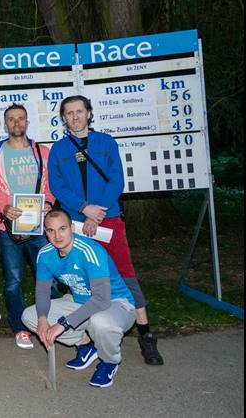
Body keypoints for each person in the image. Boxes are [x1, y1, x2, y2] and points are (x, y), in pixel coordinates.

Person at [48, 95, 163, 365]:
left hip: (107, 218)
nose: (75, 117)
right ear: (63, 118)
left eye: (79, 111)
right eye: (69, 113)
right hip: (76, 221)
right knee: (84, 277)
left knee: (125, 273)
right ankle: (88, 339)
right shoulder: (59, 149)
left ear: (89, 113)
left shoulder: (106, 143)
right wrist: (83, 208)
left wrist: (97, 211)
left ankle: (146, 334)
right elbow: (57, 186)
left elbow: (116, 181)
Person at [22, 209, 137, 388]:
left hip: (116, 303)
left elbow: (101, 299)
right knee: (30, 316)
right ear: (45, 231)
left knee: (101, 322)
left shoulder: (89, 250)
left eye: (62, 229)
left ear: (72, 228)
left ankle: (109, 361)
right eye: (51, 230)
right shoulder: (45, 254)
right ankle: (85, 344)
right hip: (80, 302)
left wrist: (63, 324)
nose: (57, 236)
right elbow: (43, 291)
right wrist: (43, 319)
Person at [0, 103, 55, 350]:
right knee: (13, 281)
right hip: (8, 228)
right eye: (11, 119)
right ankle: (20, 328)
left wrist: (50, 204)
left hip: (40, 228)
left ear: (27, 122)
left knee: (48, 279)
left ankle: (54, 324)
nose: (16, 123)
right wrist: (3, 207)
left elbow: (52, 186)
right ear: (5, 124)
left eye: (20, 118)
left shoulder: (42, 152)